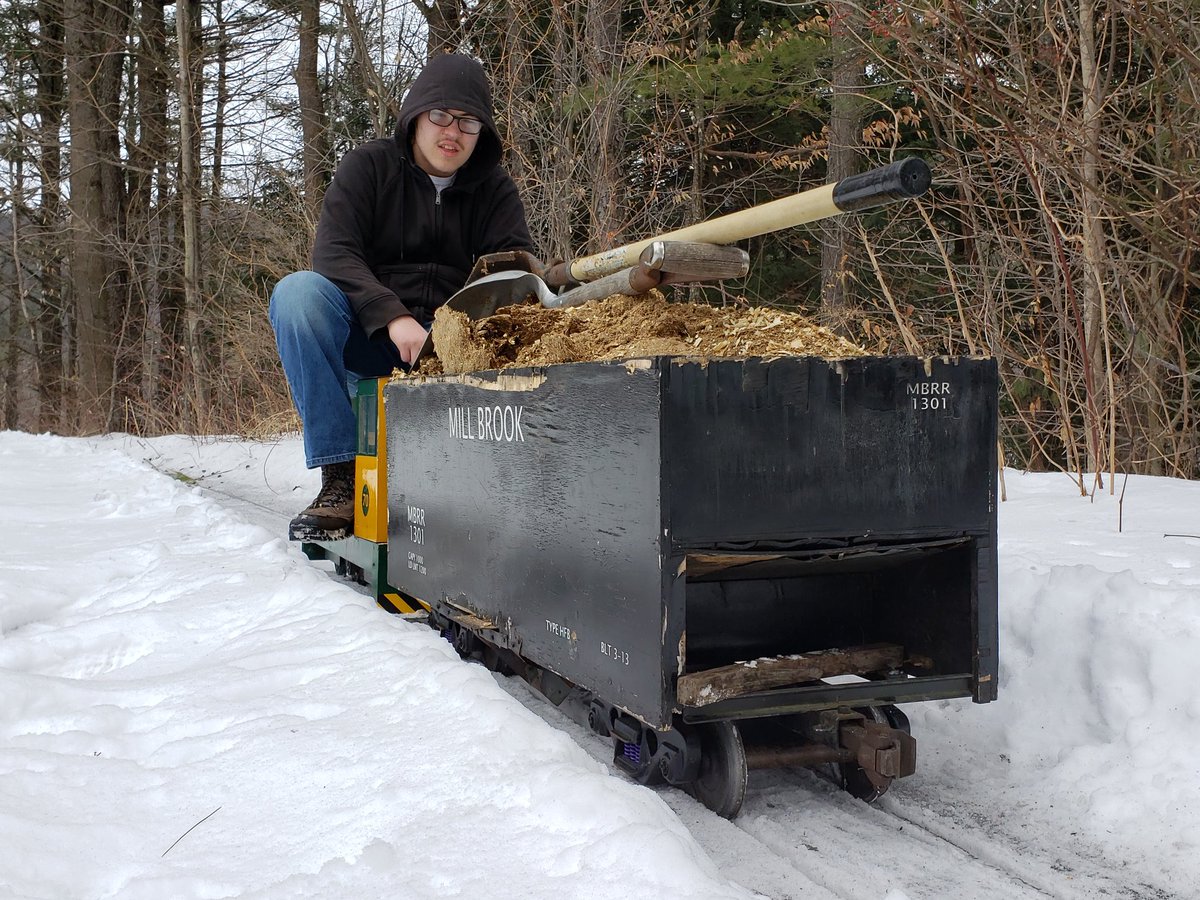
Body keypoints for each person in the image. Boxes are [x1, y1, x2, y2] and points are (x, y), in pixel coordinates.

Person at [270, 53, 533, 541]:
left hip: (450, 351)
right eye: (440, 115)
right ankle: (341, 477)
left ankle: (498, 489)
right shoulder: (367, 168)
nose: (452, 131)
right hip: (366, 337)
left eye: (468, 121)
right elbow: (334, 253)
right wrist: (390, 314)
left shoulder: (495, 191)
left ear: (483, 133)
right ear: (415, 116)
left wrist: (454, 329)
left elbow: (515, 276)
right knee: (297, 296)